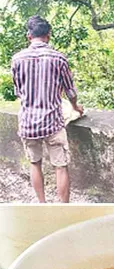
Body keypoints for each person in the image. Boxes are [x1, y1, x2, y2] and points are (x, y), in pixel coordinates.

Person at [11, 15, 83, 203]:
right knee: (61, 166)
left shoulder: (17, 59)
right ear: (48, 35)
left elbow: (19, 92)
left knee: (35, 163)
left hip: (28, 123)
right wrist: (76, 107)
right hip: (53, 123)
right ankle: (62, 209)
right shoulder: (59, 58)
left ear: (29, 36)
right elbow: (70, 91)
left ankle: (42, 204)